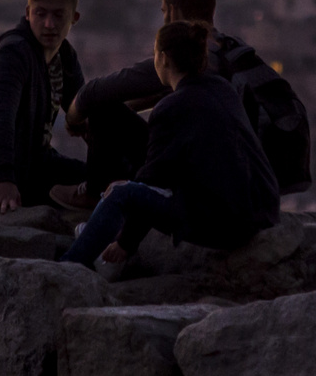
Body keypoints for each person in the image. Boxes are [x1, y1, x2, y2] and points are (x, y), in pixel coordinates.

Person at [55, 0, 281, 210]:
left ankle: (93, 193)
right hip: (247, 180)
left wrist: (74, 118)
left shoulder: (184, 53)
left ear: (172, 11)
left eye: (164, 12)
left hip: (197, 179)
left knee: (102, 108)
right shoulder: (230, 51)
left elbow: (97, 93)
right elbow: (167, 94)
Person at [60, 21, 279, 269]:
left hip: (224, 223)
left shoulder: (172, 107)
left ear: (163, 58)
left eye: (154, 53)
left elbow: (153, 181)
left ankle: (67, 268)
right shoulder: (223, 89)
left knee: (121, 194)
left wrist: (125, 243)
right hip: (263, 210)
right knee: (130, 187)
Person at [0, 0, 87, 212]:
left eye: (58, 15)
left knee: (112, 181)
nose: (48, 24)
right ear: (28, 13)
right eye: (40, 13)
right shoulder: (13, 53)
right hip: (7, 174)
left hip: (40, 163)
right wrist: (3, 179)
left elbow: (85, 108)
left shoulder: (64, 55)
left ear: (74, 17)